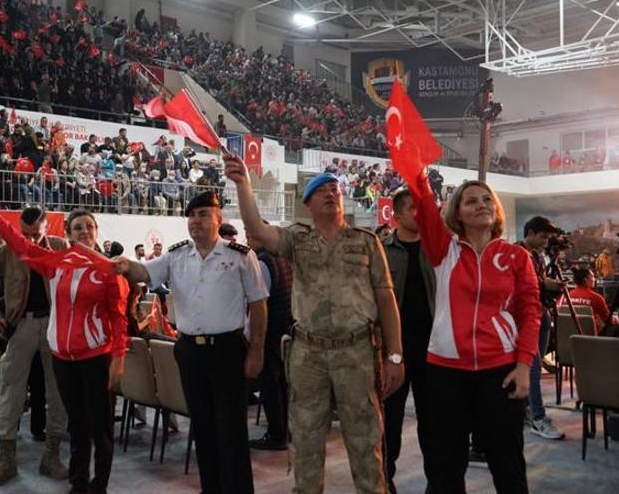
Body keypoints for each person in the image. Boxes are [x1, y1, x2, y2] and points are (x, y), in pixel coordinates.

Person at [224, 155, 404, 494]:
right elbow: (257, 230)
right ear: (307, 203)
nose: (331, 193)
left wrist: (395, 356)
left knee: (366, 439)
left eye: (335, 188)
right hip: (308, 354)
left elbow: (386, 301)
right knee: (306, 440)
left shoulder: (366, 241)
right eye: (322, 189)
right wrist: (243, 184)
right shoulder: (297, 239)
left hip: (357, 351)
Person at [116, 191, 269, 494]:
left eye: (203, 214)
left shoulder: (240, 255)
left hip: (228, 350)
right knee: (203, 427)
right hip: (189, 352)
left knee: (231, 430)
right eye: (191, 215)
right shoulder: (176, 255)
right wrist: (123, 265)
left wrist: (257, 349)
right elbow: (144, 271)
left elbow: (259, 304)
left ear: (218, 218)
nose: (195, 221)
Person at [0, 200, 129, 494]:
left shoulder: (110, 270)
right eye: (77, 227)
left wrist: (119, 357)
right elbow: (21, 246)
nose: (84, 231)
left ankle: (100, 486)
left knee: (101, 428)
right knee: (78, 426)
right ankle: (78, 483)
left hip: (96, 357)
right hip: (62, 358)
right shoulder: (57, 263)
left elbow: (119, 319)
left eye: (89, 226)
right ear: (69, 234)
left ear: (96, 231)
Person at [408, 175, 541, 494]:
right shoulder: (443, 250)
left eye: (486, 199)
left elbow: (531, 313)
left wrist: (524, 367)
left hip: (500, 373)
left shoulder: (516, 256)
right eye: (471, 201)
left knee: (508, 466)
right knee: (445, 469)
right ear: (458, 215)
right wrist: (417, 173)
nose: (481, 204)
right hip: (446, 374)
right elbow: (424, 204)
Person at [0, 207, 69, 487]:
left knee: (57, 391)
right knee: (11, 390)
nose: (31, 240)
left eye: (36, 234)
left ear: (47, 228)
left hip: (54, 326)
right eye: (25, 234)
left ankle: (51, 455)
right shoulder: (6, 251)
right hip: (21, 325)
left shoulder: (60, 247)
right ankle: (7, 460)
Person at [382, 190, 436, 494]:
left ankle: (437, 482)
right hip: (396, 347)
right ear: (398, 215)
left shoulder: (436, 248)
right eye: (413, 209)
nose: (420, 214)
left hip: (433, 347)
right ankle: (384, 479)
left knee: (433, 421)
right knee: (390, 419)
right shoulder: (383, 250)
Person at [517, 216, 566, 441]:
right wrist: (544, 283)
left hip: (541, 313)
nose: (546, 241)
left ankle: (528, 411)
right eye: (543, 237)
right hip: (526, 316)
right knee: (534, 367)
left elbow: (538, 279)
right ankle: (538, 417)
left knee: (534, 366)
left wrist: (548, 283)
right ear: (530, 233)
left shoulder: (536, 255)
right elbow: (522, 283)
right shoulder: (517, 253)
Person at [247, 224, 293, 451]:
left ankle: (277, 434)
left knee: (270, 384)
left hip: (270, 331)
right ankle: (285, 429)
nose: (246, 239)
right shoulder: (283, 259)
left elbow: (259, 304)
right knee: (282, 383)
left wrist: (252, 338)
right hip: (285, 329)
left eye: (249, 235)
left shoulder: (263, 262)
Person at [568, 267, 619, 336]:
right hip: (592, 337)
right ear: (585, 280)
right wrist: (616, 318)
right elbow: (609, 320)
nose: (594, 279)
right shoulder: (596, 297)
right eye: (592, 277)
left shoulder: (566, 296)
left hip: (570, 335)